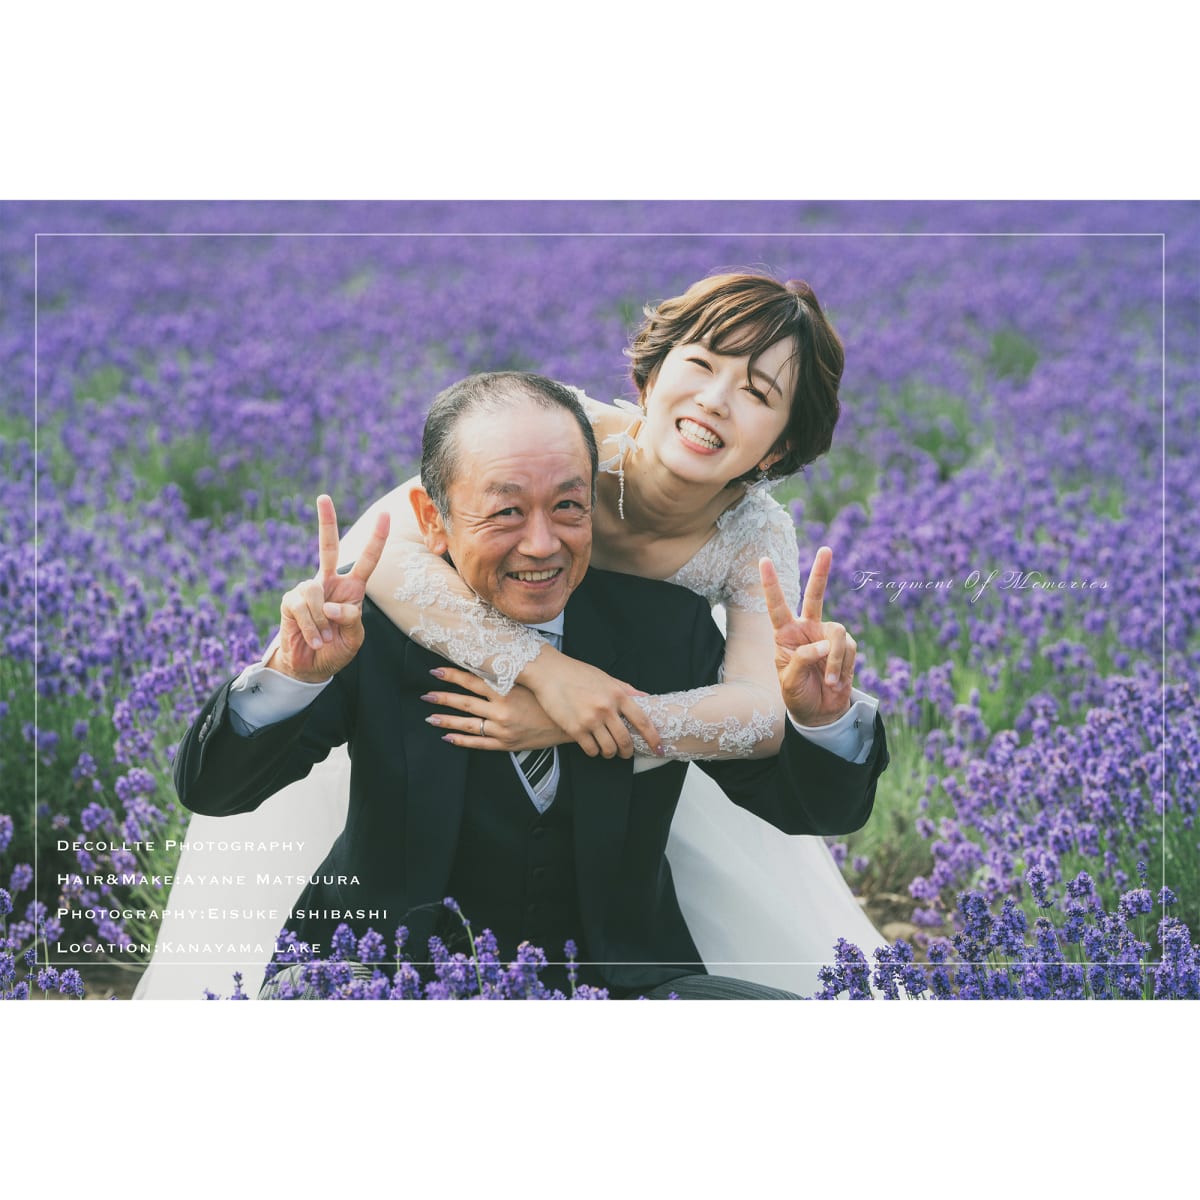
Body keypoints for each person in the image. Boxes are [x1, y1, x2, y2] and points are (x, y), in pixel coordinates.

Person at [171, 372, 888, 998]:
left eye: (569, 507)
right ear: (433, 521)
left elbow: (806, 806)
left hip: (621, 988)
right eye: (506, 511)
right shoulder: (377, 628)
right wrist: (293, 677)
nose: (542, 544)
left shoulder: (665, 632)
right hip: (380, 973)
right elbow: (215, 790)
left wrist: (820, 719)